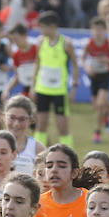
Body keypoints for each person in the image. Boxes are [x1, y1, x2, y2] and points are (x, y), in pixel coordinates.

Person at [32, 11, 78, 147]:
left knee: (62, 127)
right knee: (40, 126)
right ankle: (38, 158)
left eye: (42, 27)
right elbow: (37, 63)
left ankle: (70, 159)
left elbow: (75, 65)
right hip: (42, 90)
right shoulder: (41, 41)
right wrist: (32, 86)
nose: (40, 30)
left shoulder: (66, 43)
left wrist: (74, 87)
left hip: (59, 91)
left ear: (52, 26)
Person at [82, 17, 109, 145]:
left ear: (105, 30)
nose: (98, 32)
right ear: (92, 30)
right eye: (95, 29)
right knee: (96, 105)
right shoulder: (89, 43)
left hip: (106, 75)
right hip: (94, 76)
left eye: (100, 29)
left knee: (100, 104)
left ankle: (97, 132)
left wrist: (107, 61)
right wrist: (87, 68)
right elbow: (82, 59)